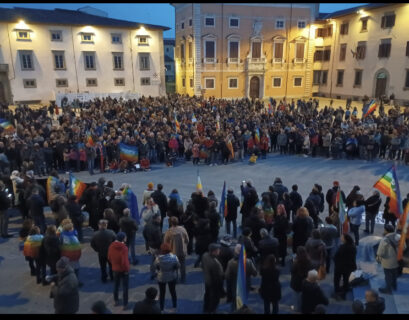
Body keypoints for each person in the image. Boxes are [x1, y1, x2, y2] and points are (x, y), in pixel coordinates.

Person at [225, 244, 257, 312]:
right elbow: (254, 273)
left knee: (235, 302)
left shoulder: (230, 262)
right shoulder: (248, 261)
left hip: (235, 285)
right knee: (244, 301)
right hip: (246, 284)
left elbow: (227, 276)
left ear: (235, 252)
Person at [154, 242, 180, 313]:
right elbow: (178, 266)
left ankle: (162, 308)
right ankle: (174, 306)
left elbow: (156, 266)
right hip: (171, 276)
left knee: (162, 293)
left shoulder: (158, 258)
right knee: (173, 292)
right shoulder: (174, 257)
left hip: (161, 277)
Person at [376, 224, 402, 294]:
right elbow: (404, 247)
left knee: (388, 276)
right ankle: (394, 285)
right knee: (394, 274)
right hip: (397, 260)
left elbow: (380, 253)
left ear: (386, 231)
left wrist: (378, 259)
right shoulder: (399, 237)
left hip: (387, 262)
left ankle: (388, 289)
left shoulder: (384, 240)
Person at [108, 232, 130, 309]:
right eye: (125, 237)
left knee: (116, 285)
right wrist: (127, 269)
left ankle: (116, 300)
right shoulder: (124, 248)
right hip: (123, 270)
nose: (126, 238)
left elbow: (109, 257)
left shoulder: (111, 246)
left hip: (115, 269)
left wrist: (114, 264)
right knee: (125, 287)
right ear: (122, 238)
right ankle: (125, 304)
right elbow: (125, 262)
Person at [163, 216, 189, 283]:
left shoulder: (168, 232)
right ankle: (183, 277)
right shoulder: (183, 229)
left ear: (170, 223)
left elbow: (165, 242)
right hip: (182, 250)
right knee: (182, 264)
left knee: (174, 266)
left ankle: (175, 278)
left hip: (173, 252)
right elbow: (187, 240)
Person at [201, 243, 224, 314]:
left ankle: (206, 309)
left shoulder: (204, 255)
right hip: (215, 283)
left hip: (207, 280)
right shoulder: (215, 263)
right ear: (214, 251)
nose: (219, 251)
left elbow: (202, 266)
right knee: (215, 298)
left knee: (207, 295)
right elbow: (220, 275)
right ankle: (212, 310)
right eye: (218, 250)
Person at [333, 233, 357, 300]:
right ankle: (345, 290)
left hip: (340, 266)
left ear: (345, 239)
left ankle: (337, 290)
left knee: (337, 279)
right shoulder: (353, 247)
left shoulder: (342, 247)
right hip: (349, 267)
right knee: (346, 279)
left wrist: (336, 262)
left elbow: (336, 256)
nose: (341, 238)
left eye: (342, 237)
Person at [59, 220, 83, 287]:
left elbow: (60, 243)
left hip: (66, 254)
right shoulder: (75, 233)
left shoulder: (62, 234)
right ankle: (76, 281)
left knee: (67, 269)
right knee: (76, 268)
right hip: (75, 254)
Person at [290, 246, 313, 312]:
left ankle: (297, 309)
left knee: (296, 298)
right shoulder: (309, 262)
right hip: (306, 283)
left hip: (296, 284)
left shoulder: (296, 263)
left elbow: (291, 271)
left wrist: (294, 262)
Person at [143, 213, 163, 279]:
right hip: (157, 247)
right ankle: (160, 271)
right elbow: (159, 240)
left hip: (150, 245)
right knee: (159, 259)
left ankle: (152, 272)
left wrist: (148, 242)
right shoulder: (156, 229)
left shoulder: (147, 225)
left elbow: (144, 233)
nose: (160, 220)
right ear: (155, 219)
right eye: (159, 219)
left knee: (153, 259)